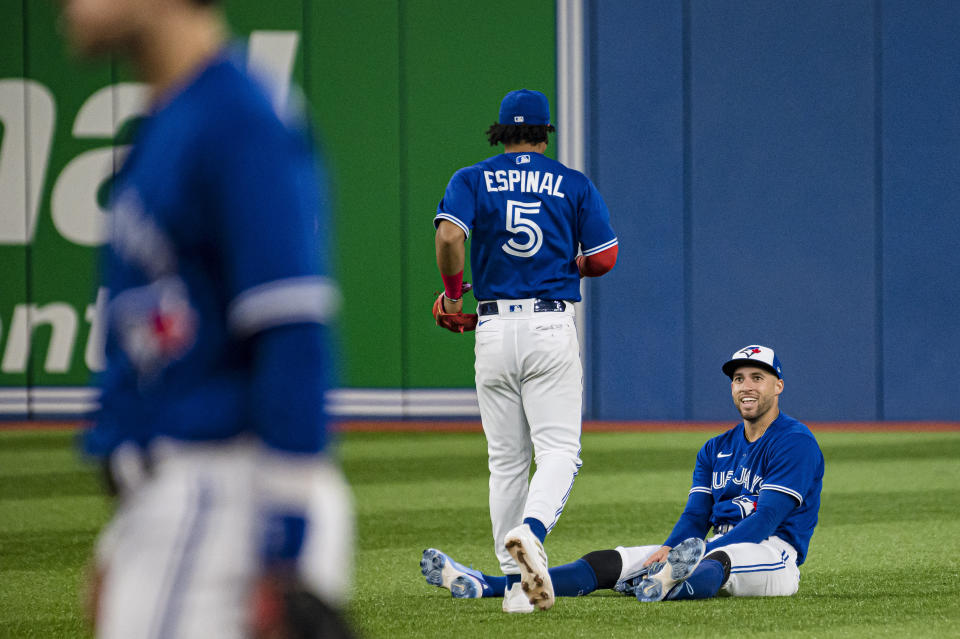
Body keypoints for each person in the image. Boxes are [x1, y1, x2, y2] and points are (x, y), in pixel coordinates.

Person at [58, 1, 354, 637]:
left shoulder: (239, 119)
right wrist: (124, 540)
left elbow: (293, 331)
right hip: (175, 503)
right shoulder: (170, 122)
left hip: (226, 505)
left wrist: (286, 548)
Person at [421, 345, 823, 604]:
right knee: (610, 561)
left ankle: (670, 584)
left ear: (778, 386)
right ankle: (487, 584)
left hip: (772, 555)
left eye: (757, 377)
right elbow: (696, 517)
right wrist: (669, 548)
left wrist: (696, 552)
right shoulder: (715, 447)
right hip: (709, 549)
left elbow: (767, 519)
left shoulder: (794, 442)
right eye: (738, 378)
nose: (745, 386)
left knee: (716, 560)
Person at [430, 89, 618, 613]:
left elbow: (449, 238)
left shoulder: (471, 178)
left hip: (491, 328)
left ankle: (516, 586)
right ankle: (531, 532)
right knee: (559, 451)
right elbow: (605, 258)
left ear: (501, 131)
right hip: (548, 325)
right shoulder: (572, 183)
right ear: (544, 132)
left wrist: (451, 293)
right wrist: (568, 266)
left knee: (506, 461)